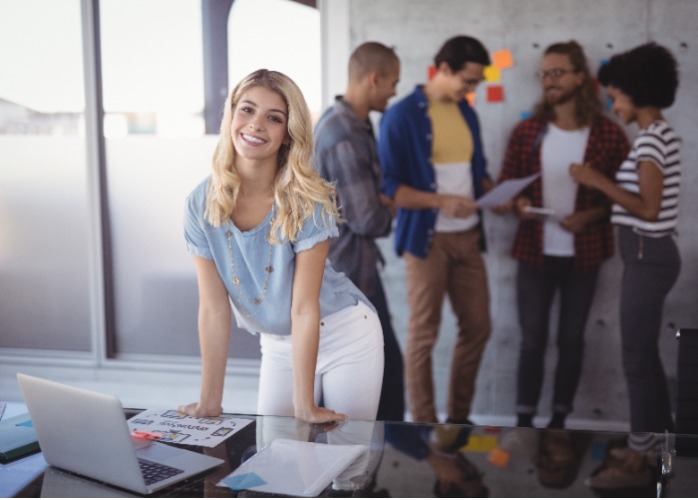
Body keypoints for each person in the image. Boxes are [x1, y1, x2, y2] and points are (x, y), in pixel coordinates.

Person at [178, 69, 384, 423]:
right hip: (278, 344)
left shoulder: (308, 199)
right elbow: (213, 310)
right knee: (275, 467)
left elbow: (304, 308)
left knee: (347, 469)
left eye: (274, 118)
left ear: (288, 135)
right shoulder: (201, 203)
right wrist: (209, 402)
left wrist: (304, 404)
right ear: (231, 116)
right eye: (247, 110)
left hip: (344, 334)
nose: (256, 124)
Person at [497, 41, 629, 429]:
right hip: (534, 252)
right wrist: (518, 204)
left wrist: (591, 214)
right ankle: (524, 421)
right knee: (532, 341)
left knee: (571, 340)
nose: (548, 81)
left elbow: (627, 198)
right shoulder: (527, 132)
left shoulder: (608, 135)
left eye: (557, 73)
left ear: (579, 77)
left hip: (584, 255)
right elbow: (508, 185)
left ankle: (559, 420)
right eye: (543, 74)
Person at [570, 43, 681, 489]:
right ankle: (653, 444)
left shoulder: (652, 138)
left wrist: (598, 180)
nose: (613, 105)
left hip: (645, 255)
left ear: (636, 91)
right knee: (646, 358)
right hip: (650, 256)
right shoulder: (660, 134)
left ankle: (638, 459)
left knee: (635, 360)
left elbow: (649, 209)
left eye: (616, 95)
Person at [378, 35, 494, 424]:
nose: (471, 89)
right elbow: (390, 188)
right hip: (427, 241)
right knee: (424, 334)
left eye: (476, 83)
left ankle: (458, 419)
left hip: (469, 237)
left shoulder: (468, 113)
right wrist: (441, 201)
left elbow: (477, 173)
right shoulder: (401, 116)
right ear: (444, 69)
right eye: (468, 80)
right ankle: (424, 425)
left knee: (478, 326)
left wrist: (504, 196)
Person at [314, 41, 405, 422]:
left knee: (383, 368)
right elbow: (367, 217)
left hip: (354, 268)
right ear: (374, 79)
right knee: (386, 371)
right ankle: (370, 469)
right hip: (348, 273)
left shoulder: (350, 122)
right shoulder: (345, 134)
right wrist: (392, 207)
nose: (395, 92)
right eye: (393, 83)